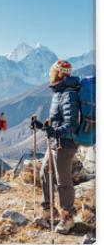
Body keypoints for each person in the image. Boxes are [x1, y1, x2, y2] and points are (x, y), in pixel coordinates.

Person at [31, 60, 80, 234]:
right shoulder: (59, 93)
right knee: (45, 172)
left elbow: (71, 124)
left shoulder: (68, 95)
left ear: (59, 73)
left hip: (65, 145)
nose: (50, 74)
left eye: (52, 71)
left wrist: (55, 131)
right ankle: (48, 210)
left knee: (63, 182)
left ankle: (68, 218)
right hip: (56, 142)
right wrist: (42, 126)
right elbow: (57, 121)